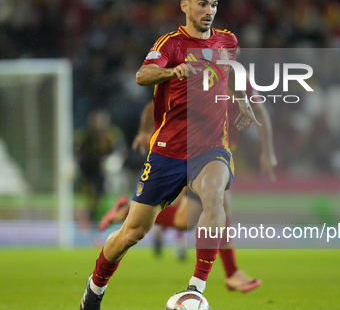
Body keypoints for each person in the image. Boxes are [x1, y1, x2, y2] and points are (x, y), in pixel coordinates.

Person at [80, 0, 261, 310]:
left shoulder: (228, 41)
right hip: (167, 152)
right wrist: (170, 71)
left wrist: (242, 102)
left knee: (214, 196)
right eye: (202, 4)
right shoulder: (171, 44)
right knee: (133, 233)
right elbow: (142, 75)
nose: (209, 11)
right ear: (185, 7)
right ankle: (95, 286)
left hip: (211, 147)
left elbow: (231, 78)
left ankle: (197, 288)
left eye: (214, 5)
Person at [99, 97, 278, 292]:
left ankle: (126, 212)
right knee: (219, 200)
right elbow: (155, 105)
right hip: (192, 156)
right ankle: (229, 273)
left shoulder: (237, 79)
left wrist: (267, 151)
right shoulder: (203, 78)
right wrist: (144, 130)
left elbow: (259, 110)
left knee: (185, 220)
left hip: (217, 153)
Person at [74, 109, 125, 227]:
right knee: (90, 197)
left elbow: (121, 150)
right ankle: (90, 222)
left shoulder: (112, 134)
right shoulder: (84, 135)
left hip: (107, 172)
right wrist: (73, 163)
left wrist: (114, 160)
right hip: (88, 170)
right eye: (95, 121)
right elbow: (76, 150)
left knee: (106, 196)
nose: (98, 124)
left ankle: (108, 220)